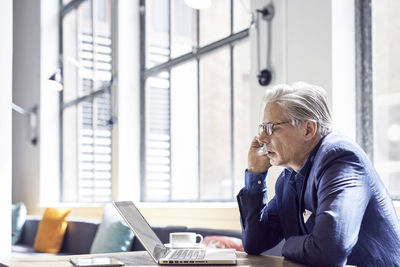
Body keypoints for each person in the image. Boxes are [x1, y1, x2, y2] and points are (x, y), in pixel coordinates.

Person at [236, 82, 400, 266]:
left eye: (271, 127)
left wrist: (288, 245)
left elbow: (328, 252)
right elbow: (255, 243)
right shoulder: (289, 177)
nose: (262, 139)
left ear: (308, 129)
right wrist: (256, 176)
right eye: (262, 128)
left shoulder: (341, 159)